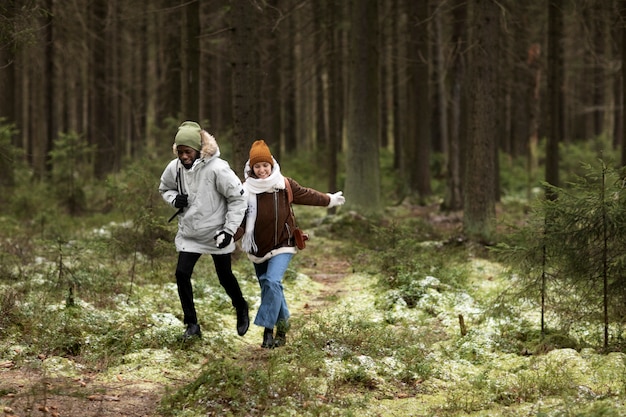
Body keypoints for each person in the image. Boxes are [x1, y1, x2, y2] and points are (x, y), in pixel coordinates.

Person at [237, 140, 345, 348]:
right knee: (270, 288)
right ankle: (283, 330)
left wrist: (328, 200)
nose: (262, 170)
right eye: (257, 166)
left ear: (272, 165)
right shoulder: (245, 190)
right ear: (251, 168)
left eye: (265, 165)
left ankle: (268, 331)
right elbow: (239, 221)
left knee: (272, 282)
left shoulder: (283, 184)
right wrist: (225, 238)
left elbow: (307, 194)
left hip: (283, 243)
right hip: (257, 247)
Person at [159, 121, 250, 340]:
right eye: (179, 152)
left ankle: (241, 307)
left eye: (187, 151)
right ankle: (192, 326)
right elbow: (165, 188)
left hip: (217, 233)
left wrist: (229, 230)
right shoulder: (175, 168)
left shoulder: (218, 168)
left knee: (224, 277)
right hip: (190, 233)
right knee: (182, 274)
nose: (183, 156)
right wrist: (174, 199)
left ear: (198, 149)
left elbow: (238, 199)